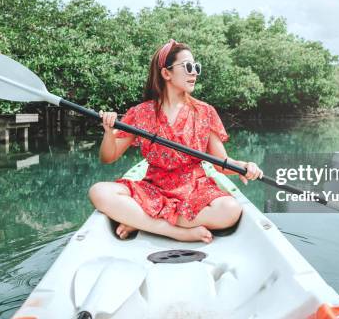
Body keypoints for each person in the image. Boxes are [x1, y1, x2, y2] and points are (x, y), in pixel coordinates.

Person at [88, 39, 263, 243]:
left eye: (196, 67)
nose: (194, 72)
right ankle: (176, 232)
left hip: (194, 189)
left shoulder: (205, 112)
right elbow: (108, 157)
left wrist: (245, 166)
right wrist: (108, 132)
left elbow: (221, 163)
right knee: (99, 191)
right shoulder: (141, 112)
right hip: (153, 188)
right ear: (166, 73)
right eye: (188, 67)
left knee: (230, 210)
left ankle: (139, 220)